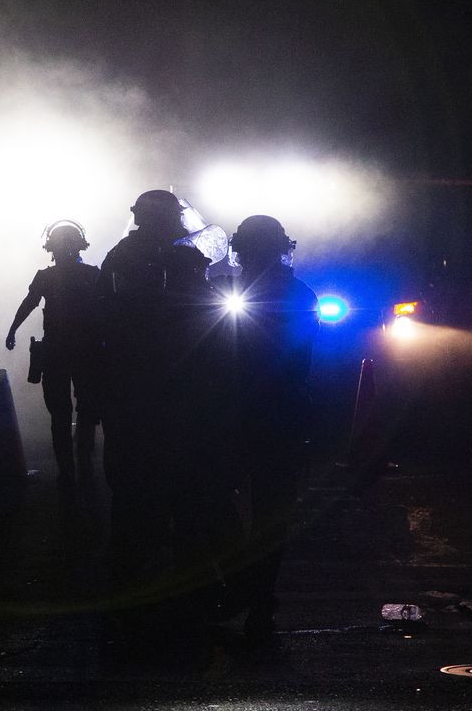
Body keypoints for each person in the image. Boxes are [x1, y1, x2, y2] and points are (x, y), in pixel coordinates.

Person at [96, 189, 220, 610]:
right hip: (159, 391)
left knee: (140, 491)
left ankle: (135, 579)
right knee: (170, 490)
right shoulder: (154, 258)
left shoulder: (128, 257)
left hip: (142, 391)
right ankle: (170, 579)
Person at [212, 215, 318, 641]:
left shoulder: (237, 292)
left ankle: (249, 593)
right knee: (268, 514)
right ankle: (255, 596)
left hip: (250, 414)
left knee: (222, 501)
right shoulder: (295, 291)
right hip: (277, 415)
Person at [5, 221, 102, 489]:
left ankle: (69, 470)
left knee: (61, 414)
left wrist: (13, 330)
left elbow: (28, 304)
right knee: (85, 411)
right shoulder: (92, 274)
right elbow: (108, 310)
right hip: (86, 352)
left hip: (59, 352)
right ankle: (82, 464)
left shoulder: (46, 277)